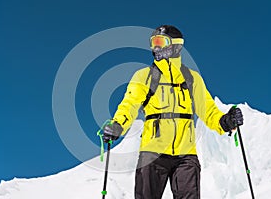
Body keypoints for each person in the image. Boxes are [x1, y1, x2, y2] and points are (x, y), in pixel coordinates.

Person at [102, 25, 243, 199]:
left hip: (186, 155)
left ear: (175, 45)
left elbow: (207, 109)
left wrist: (225, 122)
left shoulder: (192, 78)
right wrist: (117, 125)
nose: (156, 47)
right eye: (153, 43)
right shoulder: (143, 76)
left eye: (161, 42)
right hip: (152, 152)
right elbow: (129, 105)